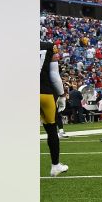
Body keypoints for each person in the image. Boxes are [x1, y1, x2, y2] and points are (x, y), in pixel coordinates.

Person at [40, 37, 68, 176]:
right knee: (51, 129)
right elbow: (54, 74)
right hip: (44, 93)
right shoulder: (48, 46)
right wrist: (62, 95)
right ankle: (55, 165)